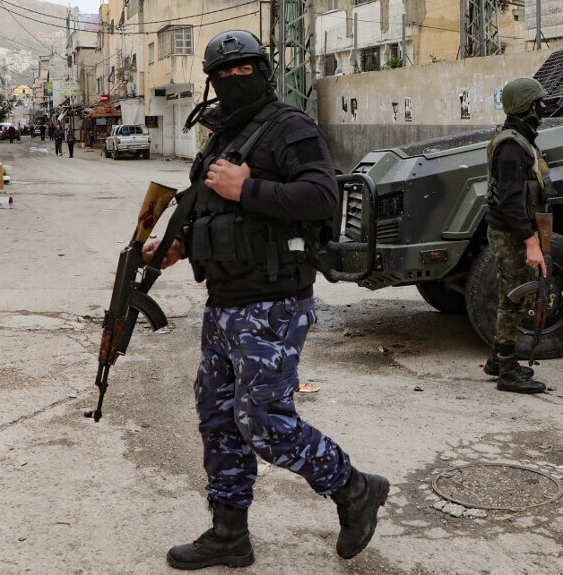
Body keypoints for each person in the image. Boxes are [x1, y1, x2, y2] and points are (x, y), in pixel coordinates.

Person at [142, 30, 388, 570]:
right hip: (225, 301)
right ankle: (230, 533)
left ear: (264, 71)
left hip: (274, 302)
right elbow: (214, 213)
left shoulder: (289, 128)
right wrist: (179, 245)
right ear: (210, 82)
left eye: (245, 69)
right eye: (224, 74)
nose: (235, 80)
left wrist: (247, 189)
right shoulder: (220, 138)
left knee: (264, 422)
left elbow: (324, 198)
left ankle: (354, 488)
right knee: (218, 418)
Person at [480, 77, 552, 395]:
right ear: (526, 106)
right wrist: (530, 242)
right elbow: (510, 201)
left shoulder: (520, 139)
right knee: (512, 300)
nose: (544, 107)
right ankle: (507, 372)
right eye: (539, 102)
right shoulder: (511, 147)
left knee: (512, 296)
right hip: (510, 233)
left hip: (512, 231)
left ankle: (499, 358)